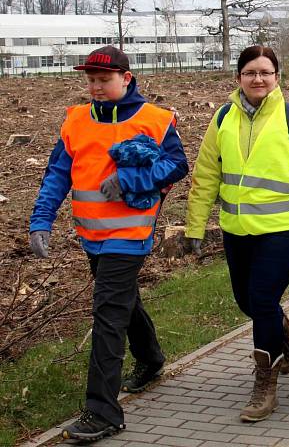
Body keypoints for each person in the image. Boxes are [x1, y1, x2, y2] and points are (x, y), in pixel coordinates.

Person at [28, 45, 189, 442]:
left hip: (131, 234)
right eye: (91, 81)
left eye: (104, 80)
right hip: (91, 235)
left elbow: (177, 164)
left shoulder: (154, 119)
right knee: (122, 301)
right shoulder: (76, 120)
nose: (96, 87)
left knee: (107, 315)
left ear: (126, 79)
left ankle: (103, 412)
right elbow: (56, 174)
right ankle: (151, 360)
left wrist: (130, 181)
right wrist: (41, 219)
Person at [185, 45, 289, 422]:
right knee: (248, 302)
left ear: (277, 77)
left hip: (286, 230)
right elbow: (206, 175)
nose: (258, 79)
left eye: (265, 73)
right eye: (250, 72)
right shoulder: (222, 118)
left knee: (262, 297)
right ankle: (286, 333)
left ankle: (265, 385)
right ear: (238, 78)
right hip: (237, 230)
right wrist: (194, 226)